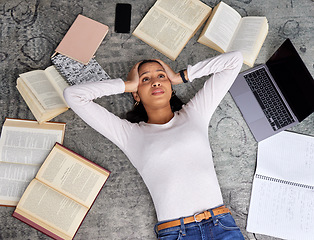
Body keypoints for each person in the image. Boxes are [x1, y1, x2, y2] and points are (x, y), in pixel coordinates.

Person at [63, 51, 245, 240]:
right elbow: (73, 95)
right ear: (136, 95)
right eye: (145, 79)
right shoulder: (129, 135)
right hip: (177, 233)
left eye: (161, 76)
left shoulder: (195, 114)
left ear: (170, 86)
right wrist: (126, 85)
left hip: (221, 224)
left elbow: (234, 61)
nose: (155, 82)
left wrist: (180, 76)